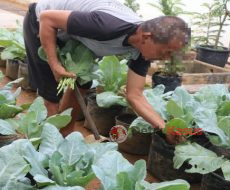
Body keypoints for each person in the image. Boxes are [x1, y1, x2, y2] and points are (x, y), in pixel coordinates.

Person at [23, 0, 191, 144]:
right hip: (42, 25)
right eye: (166, 52)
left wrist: (165, 128)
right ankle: (49, 144)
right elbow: (47, 18)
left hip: (72, 36)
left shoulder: (141, 49)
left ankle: (64, 135)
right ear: (147, 37)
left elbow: (135, 95)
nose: (166, 58)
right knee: (51, 95)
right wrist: (54, 64)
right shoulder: (107, 26)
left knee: (82, 83)